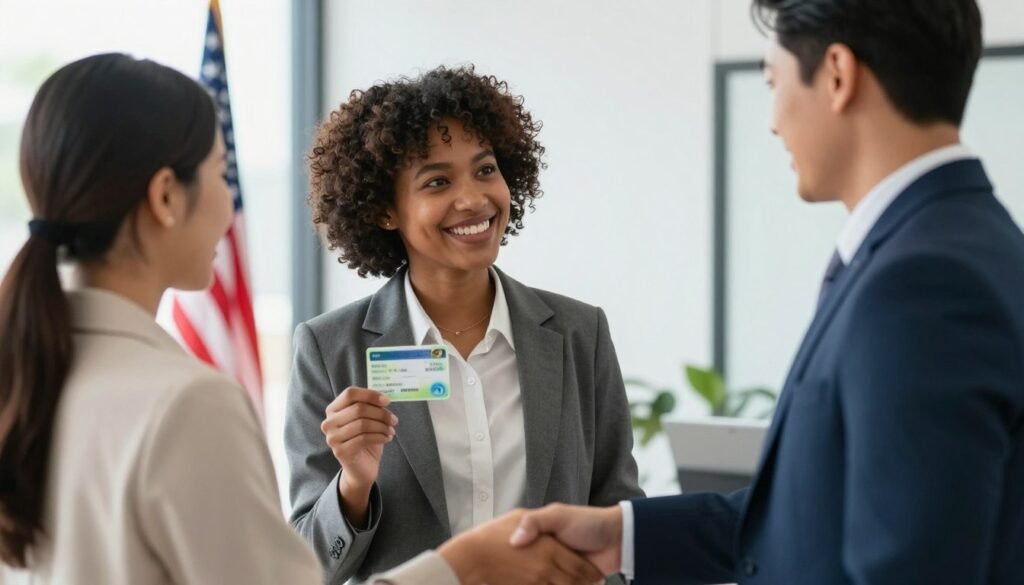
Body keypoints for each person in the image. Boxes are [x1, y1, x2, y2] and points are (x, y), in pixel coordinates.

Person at [510, 1, 1024, 584]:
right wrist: (621, 535)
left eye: (773, 82)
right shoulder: (951, 243)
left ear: (837, 75)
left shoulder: (923, 283)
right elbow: (818, 514)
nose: (773, 120)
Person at [287, 65, 642, 584]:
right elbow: (305, 565)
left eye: (485, 170)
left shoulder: (577, 333)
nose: (474, 199)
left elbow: (618, 514)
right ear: (386, 210)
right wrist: (354, 484)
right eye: (437, 181)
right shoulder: (328, 349)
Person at [0, 54, 323, 584]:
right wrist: (454, 568)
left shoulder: (27, 369)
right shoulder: (188, 403)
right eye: (223, 173)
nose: (229, 204)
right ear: (166, 195)